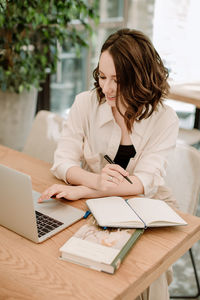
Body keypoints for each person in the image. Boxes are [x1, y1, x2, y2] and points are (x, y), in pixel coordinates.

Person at [39, 28, 179, 300]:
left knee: (145, 272)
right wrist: (93, 183)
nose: (107, 88)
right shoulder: (85, 104)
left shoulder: (165, 119)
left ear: (140, 76)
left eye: (118, 79)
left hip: (148, 205)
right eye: (102, 77)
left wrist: (83, 190)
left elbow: (142, 185)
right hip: (95, 202)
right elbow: (62, 162)